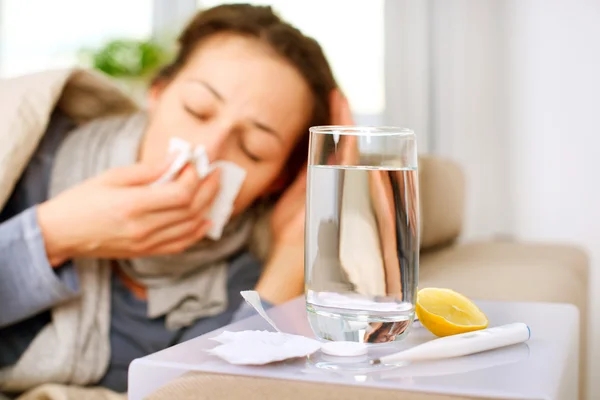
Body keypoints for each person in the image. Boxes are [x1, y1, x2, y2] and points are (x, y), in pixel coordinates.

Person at [0, 4, 353, 397]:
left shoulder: (241, 279)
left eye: (252, 149)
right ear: (158, 92)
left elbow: (215, 390)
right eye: (196, 110)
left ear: (276, 182)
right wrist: (54, 233)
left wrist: (291, 254)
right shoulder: (29, 159)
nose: (208, 149)